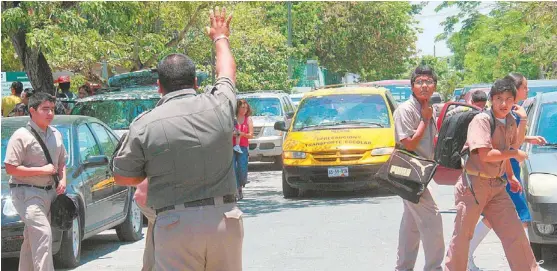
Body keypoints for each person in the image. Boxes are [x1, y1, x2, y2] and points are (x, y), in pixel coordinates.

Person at [112, 6, 243, 271]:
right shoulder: (220, 106)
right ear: (195, 81)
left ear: (158, 86)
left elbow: (122, 177)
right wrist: (220, 37)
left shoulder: (144, 125)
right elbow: (227, 71)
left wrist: (154, 175)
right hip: (224, 220)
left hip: (175, 224)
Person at [444, 78, 538, 271]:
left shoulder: (511, 120)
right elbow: (486, 154)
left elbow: (508, 147)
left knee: (515, 233)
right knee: (463, 236)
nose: (503, 104)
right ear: (491, 99)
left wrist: (510, 176)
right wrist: (513, 154)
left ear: (514, 100)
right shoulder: (482, 120)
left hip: (497, 185)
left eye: (508, 99)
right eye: (498, 98)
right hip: (473, 186)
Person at [466, 73, 547, 270]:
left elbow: (511, 142)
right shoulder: (511, 114)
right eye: (525, 87)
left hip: (508, 167)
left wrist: (527, 139)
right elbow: (511, 145)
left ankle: (527, 264)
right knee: (520, 216)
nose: (527, 91)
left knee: (500, 218)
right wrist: (524, 122)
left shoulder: (510, 114)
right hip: (500, 168)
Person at [4, 92, 67, 271]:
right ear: (32, 110)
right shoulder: (21, 136)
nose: (50, 114)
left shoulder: (56, 134)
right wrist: (42, 170)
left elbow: (62, 162)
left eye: (52, 109)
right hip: (26, 193)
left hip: (50, 193)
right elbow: (11, 168)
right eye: (45, 109)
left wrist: (63, 180)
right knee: (43, 234)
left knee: (32, 240)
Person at [394, 65, 445, 271]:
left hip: (423, 173)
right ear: (412, 86)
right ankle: (434, 268)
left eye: (428, 81)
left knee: (412, 226)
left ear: (434, 86)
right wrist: (424, 119)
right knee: (432, 221)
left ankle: (403, 267)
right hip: (410, 173)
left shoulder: (429, 107)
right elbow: (409, 144)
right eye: (419, 82)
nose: (424, 86)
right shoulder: (406, 110)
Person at [233, 99, 254, 199]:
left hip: (243, 147)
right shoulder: (233, 119)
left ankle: (241, 184)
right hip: (232, 146)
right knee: (233, 168)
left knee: (242, 168)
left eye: (246, 108)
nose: (244, 110)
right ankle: (237, 188)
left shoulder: (248, 119)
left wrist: (242, 134)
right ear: (238, 108)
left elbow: (251, 135)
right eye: (242, 107)